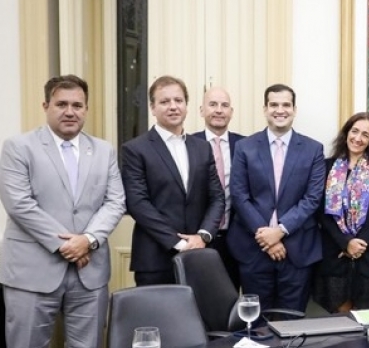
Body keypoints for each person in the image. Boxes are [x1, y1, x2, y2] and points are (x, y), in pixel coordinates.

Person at [0, 75, 125, 348]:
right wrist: (66, 245)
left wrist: (89, 239)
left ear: (86, 109)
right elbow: (19, 204)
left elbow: (115, 202)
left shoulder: (103, 150)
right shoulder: (19, 147)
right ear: (46, 106)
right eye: (62, 104)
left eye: (77, 105)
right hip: (32, 272)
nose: (70, 112)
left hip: (90, 271)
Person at [228, 84, 325, 313]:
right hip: (254, 249)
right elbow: (240, 196)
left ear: (294, 109)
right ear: (265, 109)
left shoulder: (313, 149)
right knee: (257, 324)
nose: (280, 110)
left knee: (292, 325)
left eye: (286, 105)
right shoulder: (245, 147)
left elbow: (312, 198)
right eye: (274, 105)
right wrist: (266, 237)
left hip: (297, 251)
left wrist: (280, 231)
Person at [121, 75, 225, 286]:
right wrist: (177, 242)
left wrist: (203, 236)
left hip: (199, 256)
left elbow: (217, 198)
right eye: (164, 101)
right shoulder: (135, 150)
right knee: (158, 319)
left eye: (178, 100)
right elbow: (138, 204)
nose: (173, 107)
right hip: (155, 259)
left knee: (200, 318)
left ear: (187, 106)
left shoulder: (202, 147)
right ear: (152, 107)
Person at [314, 113, 369, 312]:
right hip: (336, 254)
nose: (358, 138)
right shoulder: (327, 166)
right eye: (355, 131)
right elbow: (321, 212)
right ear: (347, 132)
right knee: (341, 321)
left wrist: (359, 242)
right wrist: (345, 242)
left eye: (365, 135)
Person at [189, 86, 245, 289]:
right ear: (201, 110)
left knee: (232, 299)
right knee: (199, 299)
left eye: (224, 105)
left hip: (237, 237)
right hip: (198, 238)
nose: (219, 110)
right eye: (212, 104)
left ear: (231, 112)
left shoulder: (246, 145)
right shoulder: (187, 144)